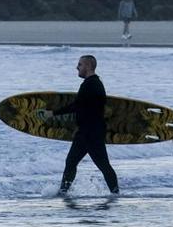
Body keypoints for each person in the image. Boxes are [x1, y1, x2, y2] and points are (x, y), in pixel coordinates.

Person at [39, 55, 119, 195]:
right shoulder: (94, 84)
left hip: (91, 133)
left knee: (102, 165)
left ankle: (115, 193)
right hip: (87, 132)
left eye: (80, 64)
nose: (77, 67)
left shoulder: (91, 84)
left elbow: (77, 105)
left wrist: (52, 113)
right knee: (71, 162)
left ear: (88, 66)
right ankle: (63, 192)